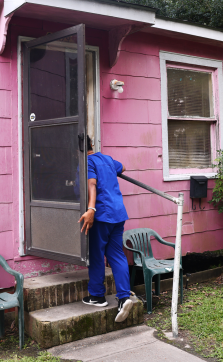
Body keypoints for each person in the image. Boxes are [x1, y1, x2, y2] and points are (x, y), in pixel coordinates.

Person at [79, 136, 133, 322]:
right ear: (92, 145)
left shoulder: (86, 162)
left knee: (96, 254)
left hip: (101, 214)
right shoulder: (108, 159)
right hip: (118, 213)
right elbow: (123, 167)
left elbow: (91, 183)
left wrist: (91, 209)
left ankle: (97, 296)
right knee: (117, 255)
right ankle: (124, 298)